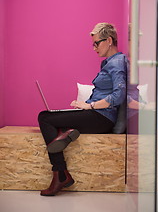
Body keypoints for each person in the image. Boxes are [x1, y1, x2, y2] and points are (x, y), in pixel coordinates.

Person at [38, 22, 127, 196]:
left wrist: (89, 105)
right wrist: (85, 106)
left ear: (109, 40)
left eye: (96, 43)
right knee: (53, 120)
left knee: (45, 117)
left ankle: (60, 174)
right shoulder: (110, 62)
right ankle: (67, 133)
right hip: (96, 114)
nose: (94, 48)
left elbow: (119, 95)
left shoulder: (117, 63)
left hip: (102, 117)